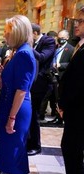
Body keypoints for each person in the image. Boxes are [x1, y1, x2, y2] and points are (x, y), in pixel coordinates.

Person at [0, 15, 36, 174]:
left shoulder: (25, 54)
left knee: (17, 155)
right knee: (10, 152)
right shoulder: (17, 52)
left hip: (16, 112)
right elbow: (12, 84)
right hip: (10, 107)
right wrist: (1, 79)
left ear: (17, 31)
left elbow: (22, 91)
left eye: (7, 31)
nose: (5, 35)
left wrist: (11, 119)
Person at [50, 6, 84, 174]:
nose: (77, 25)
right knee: (71, 150)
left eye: (81, 21)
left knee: (72, 150)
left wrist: (63, 105)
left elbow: (78, 83)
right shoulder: (79, 45)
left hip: (79, 110)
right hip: (75, 109)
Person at [26, 23, 55, 156]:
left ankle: (36, 145)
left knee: (34, 115)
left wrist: (28, 46)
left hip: (41, 84)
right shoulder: (35, 43)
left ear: (35, 33)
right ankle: (29, 142)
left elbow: (42, 57)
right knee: (29, 115)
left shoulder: (48, 41)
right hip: (32, 83)